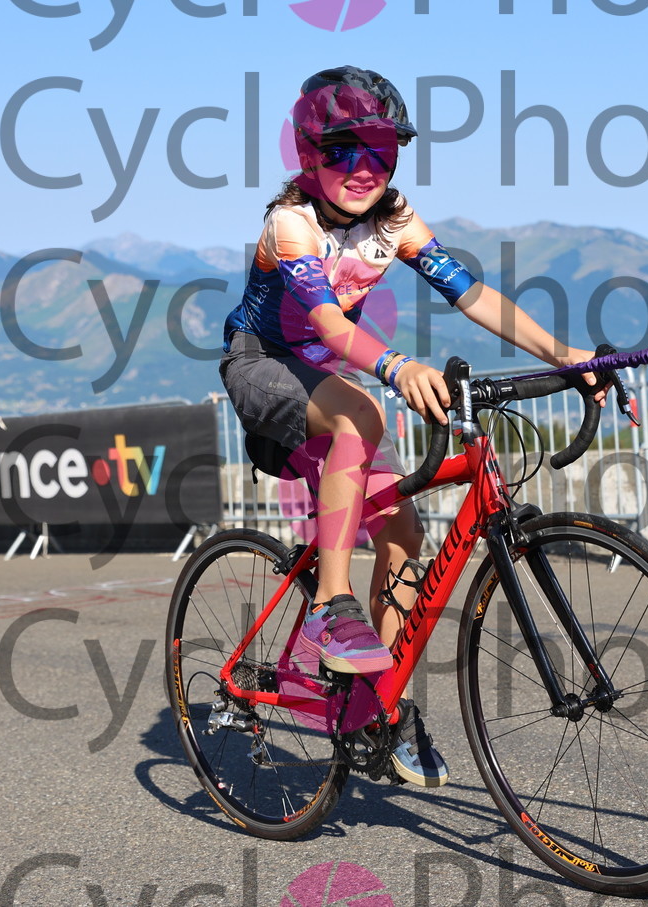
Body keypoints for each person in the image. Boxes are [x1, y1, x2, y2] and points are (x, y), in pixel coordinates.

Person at [219, 65, 605, 789]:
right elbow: (328, 323)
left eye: (383, 150)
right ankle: (331, 606)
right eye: (343, 150)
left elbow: (472, 294)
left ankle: (374, 707)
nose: (364, 166)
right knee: (362, 414)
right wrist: (397, 366)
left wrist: (565, 354)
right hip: (262, 362)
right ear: (308, 153)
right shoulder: (291, 223)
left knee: (403, 532)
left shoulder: (394, 221)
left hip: (330, 374)